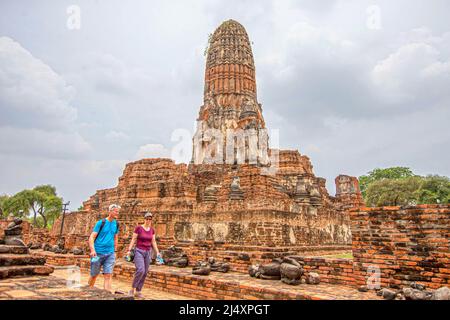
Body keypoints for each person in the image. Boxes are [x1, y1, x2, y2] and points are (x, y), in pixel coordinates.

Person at [126, 211, 161, 298]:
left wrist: (158, 252)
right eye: (147, 218)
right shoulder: (139, 228)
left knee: (145, 272)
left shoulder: (152, 230)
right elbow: (133, 239)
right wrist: (129, 250)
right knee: (140, 270)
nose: (148, 220)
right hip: (139, 251)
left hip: (148, 252)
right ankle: (132, 289)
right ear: (144, 219)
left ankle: (138, 291)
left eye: (150, 219)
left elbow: (153, 241)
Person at [88, 203, 120, 292]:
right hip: (97, 253)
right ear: (110, 211)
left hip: (110, 253)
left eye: (118, 211)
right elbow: (92, 237)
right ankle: (88, 291)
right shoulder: (101, 223)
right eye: (116, 211)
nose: (117, 213)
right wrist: (92, 250)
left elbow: (115, 238)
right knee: (94, 275)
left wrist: (115, 251)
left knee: (108, 275)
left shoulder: (116, 224)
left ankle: (107, 295)